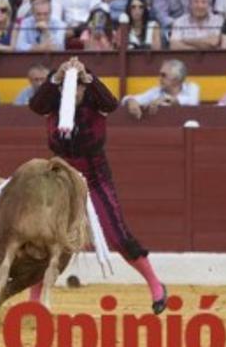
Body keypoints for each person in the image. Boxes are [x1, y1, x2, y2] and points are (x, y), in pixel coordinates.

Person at [28, 56, 167, 314]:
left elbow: (111, 103)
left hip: (95, 177)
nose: (76, 90)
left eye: (80, 86)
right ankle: (35, 299)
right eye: (72, 86)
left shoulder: (96, 101)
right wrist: (55, 79)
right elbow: (35, 106)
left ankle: (155, 284)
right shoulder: (53, 102)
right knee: (48, 238)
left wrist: (89, 79)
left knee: (117, 235)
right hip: (61, 179)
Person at [124, 59, 199, 119]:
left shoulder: (191, 88)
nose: (159, 78)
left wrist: (165, 99)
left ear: (176, 79)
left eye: (163, 75)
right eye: (160, 75)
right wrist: (131, 101)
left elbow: (192, 103)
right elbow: (127, 99)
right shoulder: (155, 92)